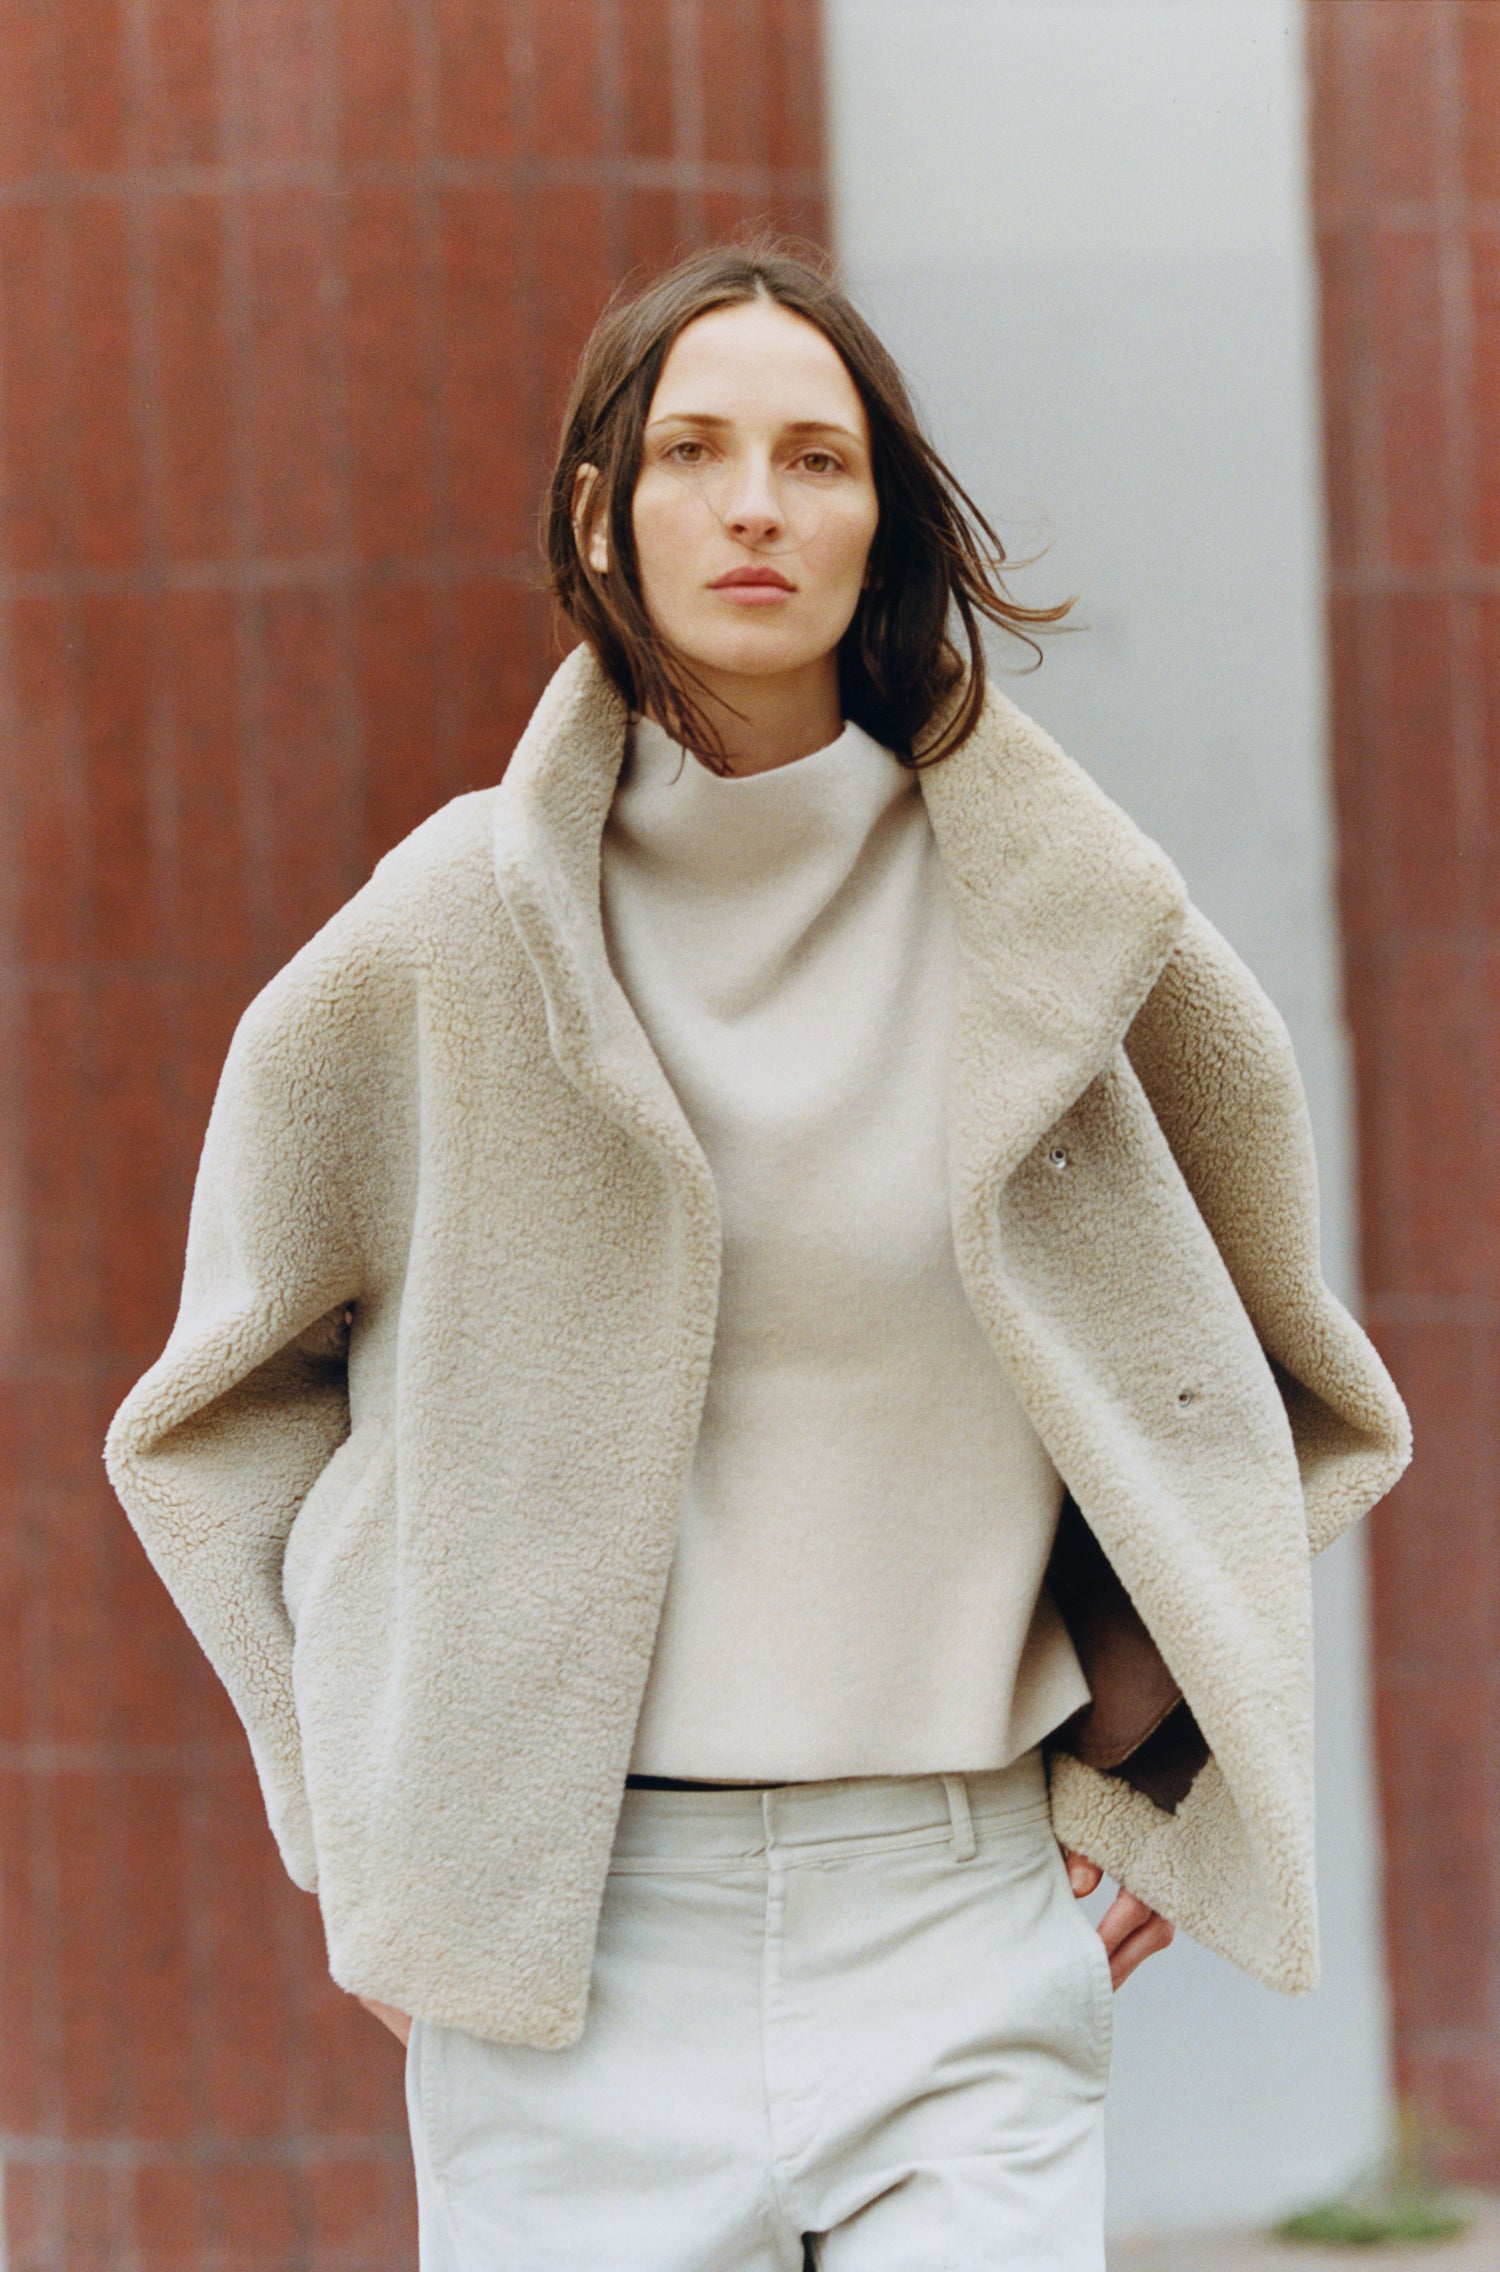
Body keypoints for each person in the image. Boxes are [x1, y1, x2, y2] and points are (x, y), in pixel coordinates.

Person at [106, 237, 1411, 2270]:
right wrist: (364, 1819)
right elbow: (208, 1419)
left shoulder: (1070, 923)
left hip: (960, 1912)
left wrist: (1162, 1750)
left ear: (881, 521)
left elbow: (1266, 1377)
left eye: (816, 458)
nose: (754, 505)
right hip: (571, 1955)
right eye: (693, 451)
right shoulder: (443, 935)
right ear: (596, 514)